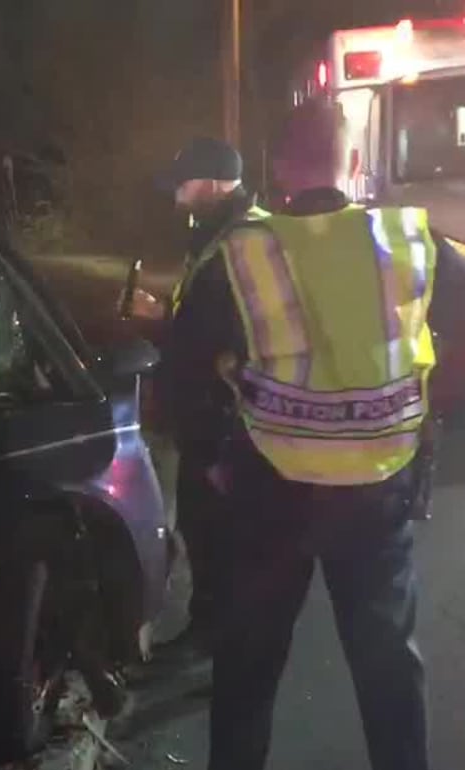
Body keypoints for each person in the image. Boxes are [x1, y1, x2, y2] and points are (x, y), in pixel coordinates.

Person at [159, 98, 465, 770]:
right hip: (375, 493)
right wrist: (425, 411)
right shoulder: (406, 240)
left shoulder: (239, 257)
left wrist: (215, 462)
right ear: (355, 167)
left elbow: (179, 381)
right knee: (388, 670)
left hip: (266, 498)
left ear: (278, 171)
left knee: (247, 671)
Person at [148, 137, 269, 660]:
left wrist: (160, 328)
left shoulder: (242, 239)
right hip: (213, 411)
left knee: (217, 532)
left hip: (226, 416)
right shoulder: (220, 233)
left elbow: (226, 332)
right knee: (210, 529)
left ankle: (220, 643)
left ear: (215, 184)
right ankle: (220, 634)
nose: (177, 198)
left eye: (184, 186)